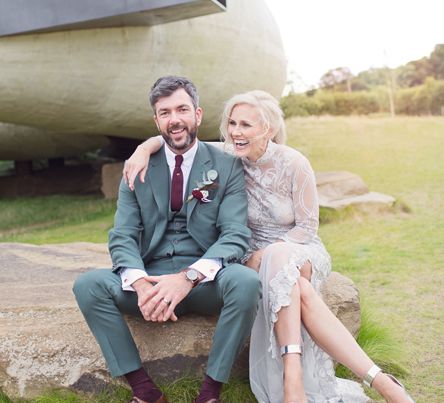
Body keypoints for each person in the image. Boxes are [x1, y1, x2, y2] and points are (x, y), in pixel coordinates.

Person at [124, 90, 415, 403]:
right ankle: (380, 381)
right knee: (297, 290)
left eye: (246, 125)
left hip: (300, 248)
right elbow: (178, 138)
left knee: (281, 260)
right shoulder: (226, 157)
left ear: (268, 130)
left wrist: (269, 252)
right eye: (232, 123)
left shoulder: (294, 163)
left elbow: (307, 227)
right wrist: (144, 147)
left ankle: (293, 382)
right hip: (251, 255)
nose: (236, 131)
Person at [73, 76, 261, 403]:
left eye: (182, 109)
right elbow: (123, 236)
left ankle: (210, 393)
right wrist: (143, 285)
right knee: (88, 285)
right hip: (151, 278)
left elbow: (235, 235)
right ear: (156, 120)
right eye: (165, 112)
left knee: (246, 283)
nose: (174, 119)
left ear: (197, 115)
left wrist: (187, 279)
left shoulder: (226, 166)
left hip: (205, 281)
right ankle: (145, 391)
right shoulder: (137, 166)